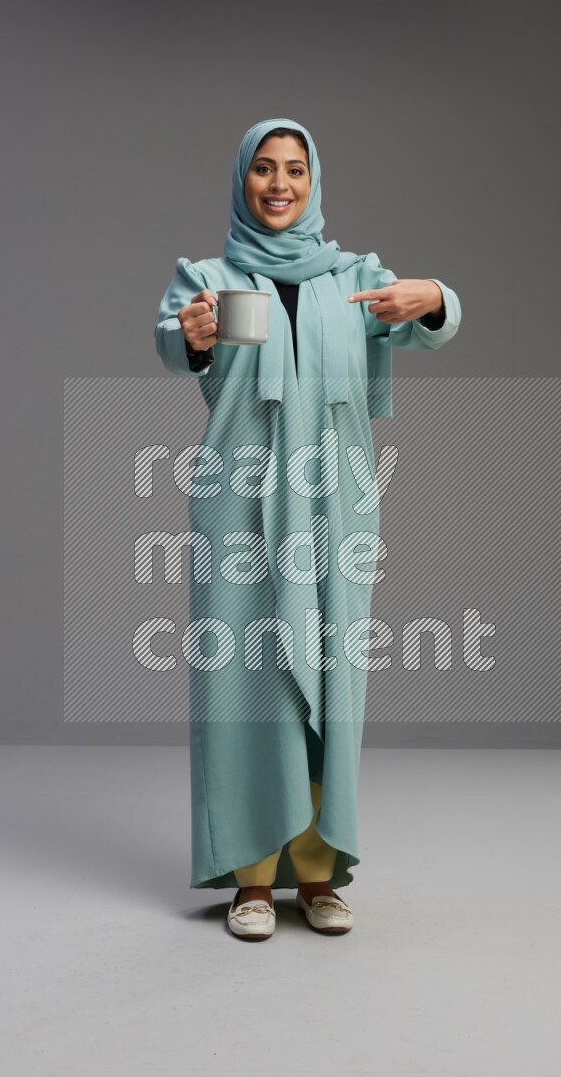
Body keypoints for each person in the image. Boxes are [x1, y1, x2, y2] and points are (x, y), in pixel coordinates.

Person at [154, 117, 461, 941]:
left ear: (313, 179)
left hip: (334, 504)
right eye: (263, 168)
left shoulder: (354, 277)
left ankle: (319, 873)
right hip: (240, 502)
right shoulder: (210, 277)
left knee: (330, 682)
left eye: (294, 168)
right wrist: (193, 338)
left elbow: (425, 318)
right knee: (244, 689)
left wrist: (433, 296)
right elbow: (174, 336)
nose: (279, 182)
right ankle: (252, 880)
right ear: (242, 180)